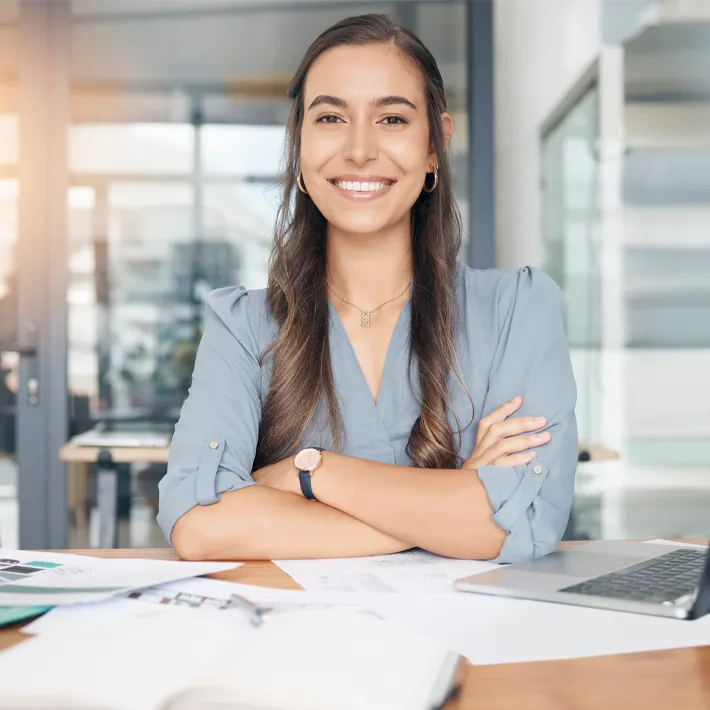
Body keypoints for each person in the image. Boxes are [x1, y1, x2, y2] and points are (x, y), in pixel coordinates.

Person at [157, 13, 578, 563]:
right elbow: (200, 526)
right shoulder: (242, 327)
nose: (359, 150)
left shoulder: (518, 310)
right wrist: (447, 511)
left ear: (435, 146)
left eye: (393, 120)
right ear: (300, 148)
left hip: (474, 645)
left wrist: (308, 474)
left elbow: (523, 521)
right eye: (330, 117)